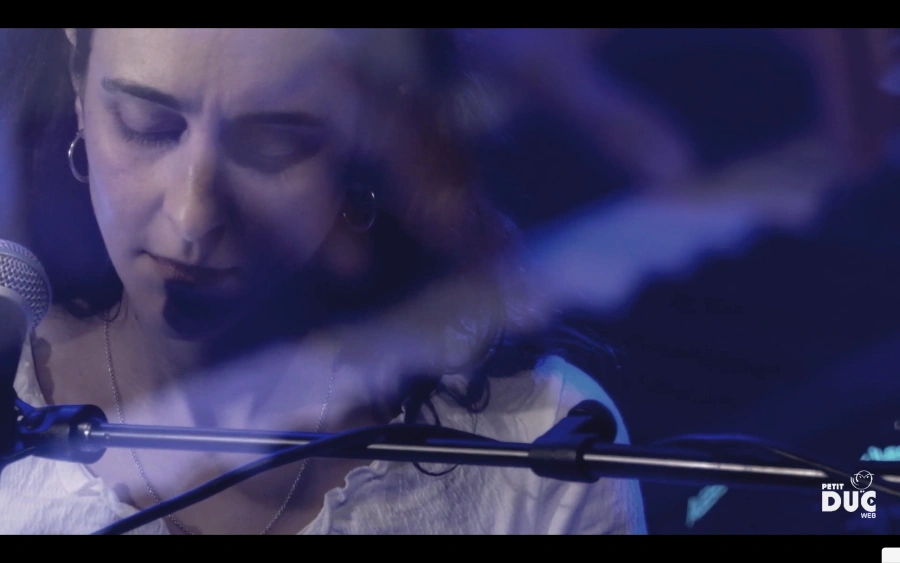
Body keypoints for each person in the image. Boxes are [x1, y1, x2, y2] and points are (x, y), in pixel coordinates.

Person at [0, 28, 647, 535]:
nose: (193, 213)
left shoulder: (544, 450)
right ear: (79, 87)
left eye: (272, 142)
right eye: (148, 125)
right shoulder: (14, 391)